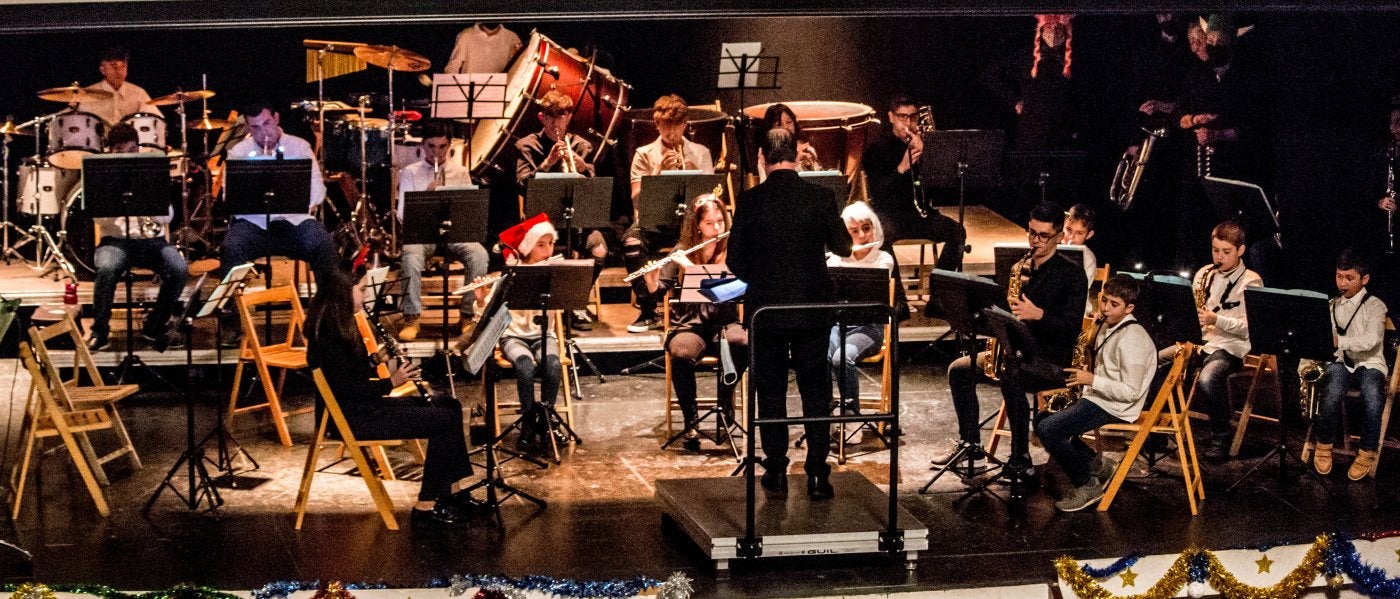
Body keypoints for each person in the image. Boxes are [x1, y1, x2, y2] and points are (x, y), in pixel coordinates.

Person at [305, 256, 477, 528]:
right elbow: (347, 391)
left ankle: (451, 493)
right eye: (361, 289)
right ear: (343, 292)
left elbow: (349, 374)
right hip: (353, 418)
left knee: (450, 406)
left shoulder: (337, 323)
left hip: (361, 409)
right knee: (444, 421)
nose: (364, 294)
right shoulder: (330, 335)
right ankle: (425, 505)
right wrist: (391, 382)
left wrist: (376, 360)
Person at [729, 128, 851, 500]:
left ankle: (777, 471)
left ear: (764, 159)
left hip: (767, 312)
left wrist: (764, 279)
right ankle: (817, 474)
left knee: (771, 389)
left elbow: (735, 261)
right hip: (812, 310)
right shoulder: (821, 196)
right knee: (816, 390)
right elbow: (844, 247)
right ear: (796, 157)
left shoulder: (751, 201)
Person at [933, 201, 1088, 476]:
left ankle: (1020, 457)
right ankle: (972, 446)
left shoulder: (1072, 273)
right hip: (1015, 352)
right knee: (959, 370)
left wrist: (1039, 315)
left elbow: (1071, 327)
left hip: (1050, 357)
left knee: (1011, 375)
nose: (1035, 241)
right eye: (1031, 233)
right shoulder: (1020, 268)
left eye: (1043, 236)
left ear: (1058, 236)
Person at [1035, 274, 1156, 511]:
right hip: (1099, 397)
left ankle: (1087, 484)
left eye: (1114, 305)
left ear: (1129, 307)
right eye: (1104, 301)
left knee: (1049, 429)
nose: (1106, 309)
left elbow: (1131, 392)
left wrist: (1091, 379)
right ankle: (1098, 466)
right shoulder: (1107, 325)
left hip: (1117, 405)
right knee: (1042, 418)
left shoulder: (1133, 338)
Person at [219, 101, 335, 346]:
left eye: (267, 124)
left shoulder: (299, 146)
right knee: (231, 247)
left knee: (323, 244)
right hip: (255, 224)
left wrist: (292, 198)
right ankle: (231, 324)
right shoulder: (239, 152)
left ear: (277, 118)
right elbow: (231, 198)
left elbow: (317, 192)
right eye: (255, 128)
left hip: (294, 222)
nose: (263, 133)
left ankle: (328, 320)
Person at [86, 123, 188, 351]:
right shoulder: (103, 175)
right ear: (112, 151)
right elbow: (98, 219)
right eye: (121, 151)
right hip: (115, 241)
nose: (127, 156)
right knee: (107, 268)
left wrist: (150, 200)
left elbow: (168, 217)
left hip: (152, 241)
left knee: (178, 268)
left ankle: (155, 324)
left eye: (132, 150)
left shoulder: (150, 170)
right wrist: (121, 200)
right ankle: (99, 331)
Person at [659, 192, 748, 452]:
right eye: (709, 223)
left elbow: (738, 287)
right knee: (681, 353)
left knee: (743, 342)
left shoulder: (733, 249)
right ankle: (691, 420)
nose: (717, 228)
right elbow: (658, 289)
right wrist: (650, 278)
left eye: (720, 221)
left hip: (725, 321)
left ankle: (725, 404)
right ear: (697, 225)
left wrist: (691, 270)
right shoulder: (681, 252)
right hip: (690, 324)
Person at [623, 94, 716, 333]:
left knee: (685, 244)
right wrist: (657, 172)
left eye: (677, 124)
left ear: (685, 124)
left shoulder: (700, 152)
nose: (672, 131)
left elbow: (712, 199)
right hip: (653, 223)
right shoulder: (644, 153)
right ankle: (648, 309)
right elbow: (635, 196)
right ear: (657, 124)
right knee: (631, 242)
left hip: (688, 223)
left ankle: (668, 299)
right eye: (666, 124)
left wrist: (694, 176)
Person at [516, 90, 606, 331]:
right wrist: (547, 164)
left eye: (562, 116)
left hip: (575, 222)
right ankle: (552, 303)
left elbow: (594, 187)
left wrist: (581, 166)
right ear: (541, 117)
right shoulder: (526, 145)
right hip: (540, 225)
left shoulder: (581, 145)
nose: (556, 123)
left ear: (568, 117)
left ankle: (576, 302)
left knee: (598, 247)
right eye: (551, 117)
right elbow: (522, 184)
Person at [472, 216, 564, 453]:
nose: (547, 250)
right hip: (513, 337)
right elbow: (488, 313)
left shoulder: (554, 273)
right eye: (541, 245)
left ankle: (545, 420)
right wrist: (481, 299)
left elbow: (565, 304)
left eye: (550, 244)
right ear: (528, 247)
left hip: (544, 335)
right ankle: (527, 421)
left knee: (552, 364)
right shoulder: (512, 273)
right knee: (524, 365)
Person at [396, 120, 489, 342]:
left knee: (479, 254)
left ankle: (467, 315)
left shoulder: (461, 172)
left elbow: (469, 211)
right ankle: (412, 317)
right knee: (410, 255)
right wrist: (427, 196)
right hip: (424, 234)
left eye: (442, 147)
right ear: (422, 146)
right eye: (431, 146)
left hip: (454, 233)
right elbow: (402, 215)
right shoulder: (411, 172)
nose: (436, 152)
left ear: (449, 146)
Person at [1177, 220, 1263, 459]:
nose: (1220, 257)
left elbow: (1250, 330)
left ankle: (1221, 436)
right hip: (1201, 343)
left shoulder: (1251, 281)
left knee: (1208, 378)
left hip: (1230, 347)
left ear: (1241, 251)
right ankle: (1158, 431)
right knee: (1156, 361)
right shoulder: (1204, 274)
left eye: (1226, 252)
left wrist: (1217, 320)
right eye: (1216, 251)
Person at [1308, 249, 1389, 481]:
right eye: (1338, 276)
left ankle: (1367, 450)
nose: (1342, 283)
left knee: (1373, 395)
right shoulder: (1332, 305)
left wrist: (1338, 340)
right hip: (1342, 362)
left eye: (1349, 278)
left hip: (1369, 363)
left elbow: (1370, 340)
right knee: (1331, 390)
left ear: (1365, 279)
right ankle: (1323, 444)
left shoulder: (1375, 306)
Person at [861, 96, 967, 274]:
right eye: (902, 117)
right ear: (891, 117)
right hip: (891, 216)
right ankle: (898, 299)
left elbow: (941, 188)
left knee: (958, 232)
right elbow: (878, 195)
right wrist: (902, 168)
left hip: (920, 215)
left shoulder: (925, 146)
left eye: (913, 117)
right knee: (880, 234)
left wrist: (930, 155)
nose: (908, 123)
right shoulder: (877, 149)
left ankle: (937, 292)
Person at [827, 201, 895, 446]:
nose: (862, 235)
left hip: (869, 327)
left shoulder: (882, 259)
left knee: (841, 357)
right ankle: (825, 416)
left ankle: (851, 416)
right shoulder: (834, 260)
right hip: (837, 325)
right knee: (820, 355)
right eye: (854, 231)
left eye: (866, 228)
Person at [77, 46, 159, 126]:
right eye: (114, 67)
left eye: (123, 66)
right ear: (102, 70)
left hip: (130, 139)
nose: (119, 71)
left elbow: (155, 120)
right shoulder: (88, 93)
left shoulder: (138, 93)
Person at [756, 103, 821, 181]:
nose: (786, 127)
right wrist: (795, 159)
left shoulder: (808, 149)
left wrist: (810, 165)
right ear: (770, 128)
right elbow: (767, 184)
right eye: (779, 124)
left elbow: (819, 180)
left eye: (789, 122)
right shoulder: (767, 152)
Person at [444, 23, 522, 75]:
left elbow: (516, 72)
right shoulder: (466, 36)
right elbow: (452, 69)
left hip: (498, 95)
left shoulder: (511, 38)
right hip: (469, 94)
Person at [1064, 203, 1100, 315]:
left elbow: (1075, 295)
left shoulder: (1088, 258)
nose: (1071, 237)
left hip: (1072, 312)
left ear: (1089, 235)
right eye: (1068, 229)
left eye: (1079, 233)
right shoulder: (1050, 246)